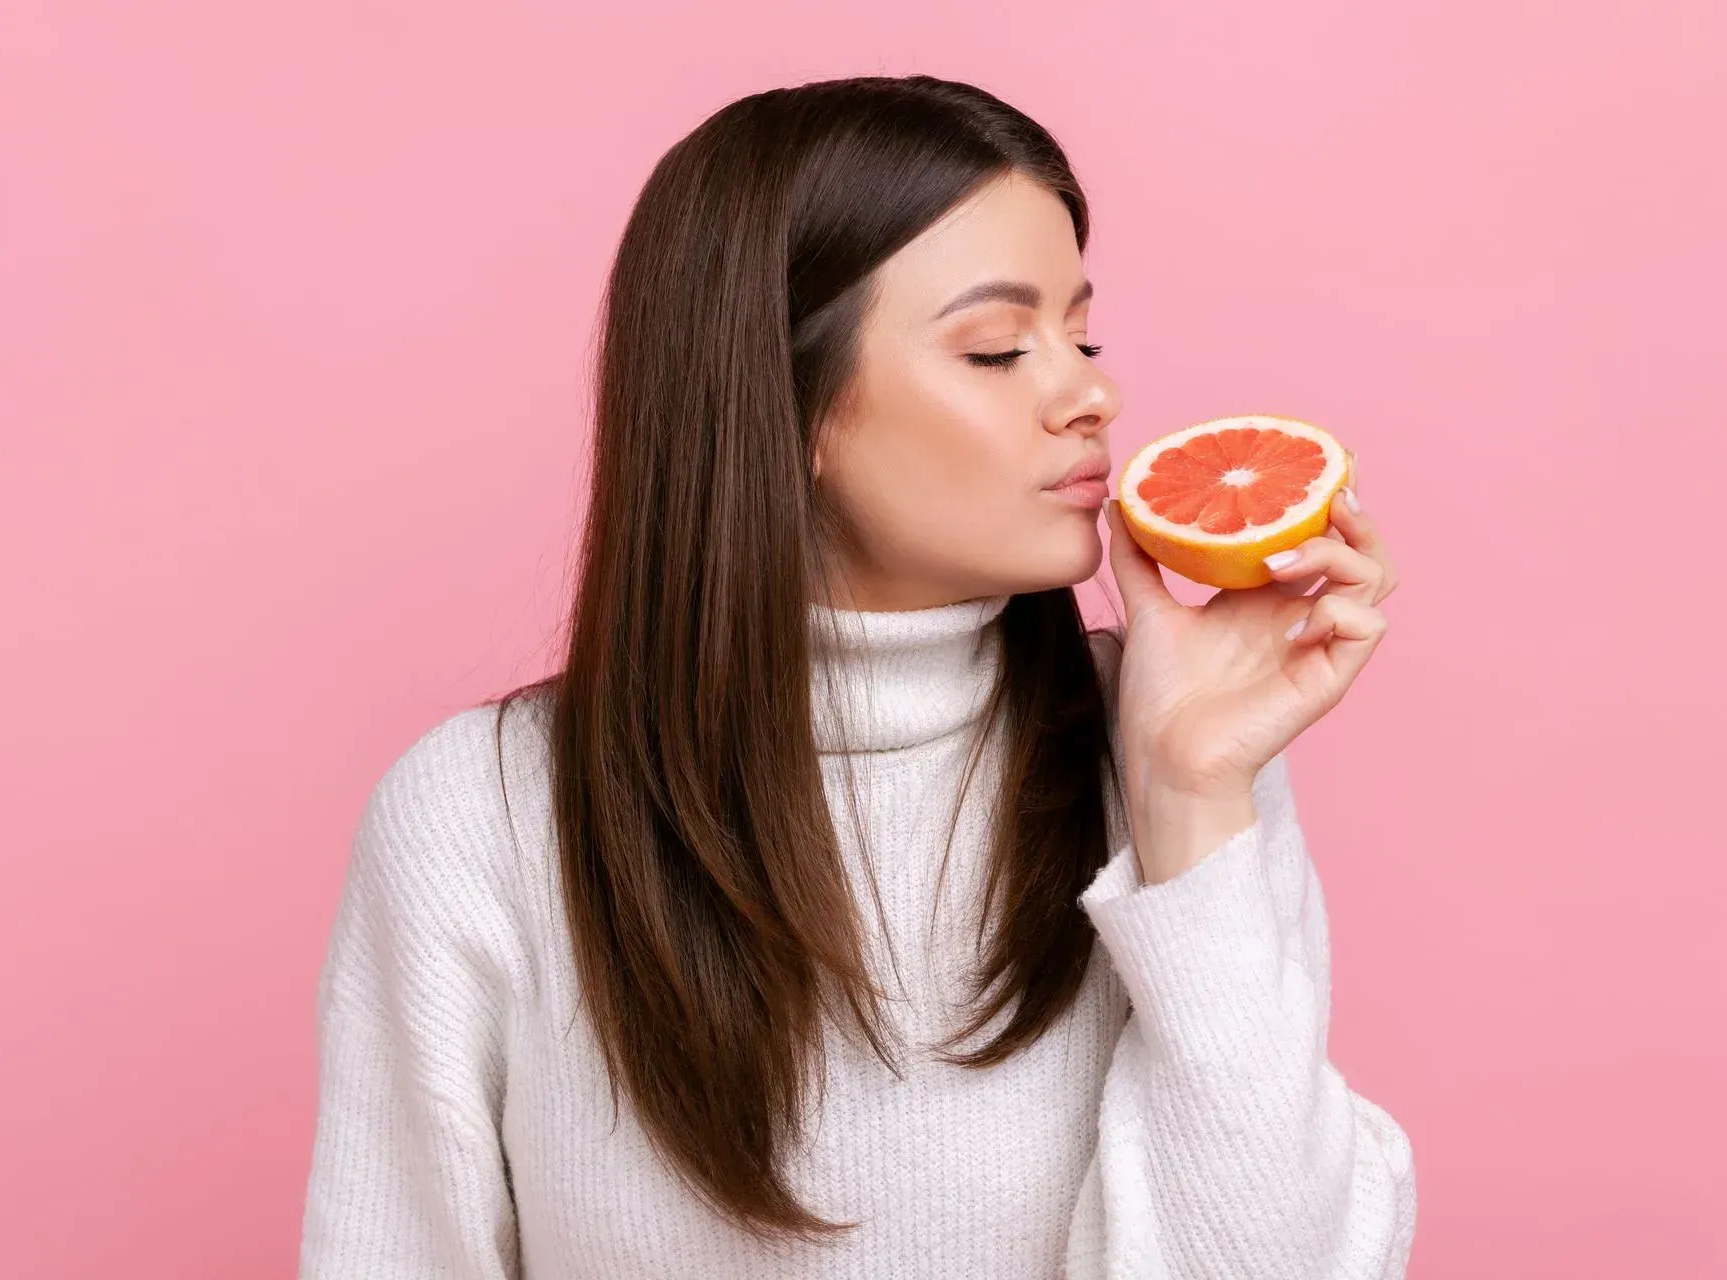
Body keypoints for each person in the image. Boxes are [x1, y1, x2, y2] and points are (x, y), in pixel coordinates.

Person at [299, 73, 1414, 1279]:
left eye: (1083, 337)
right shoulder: (481, 816)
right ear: (789, 408)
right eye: (998, 349)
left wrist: (1190, 795)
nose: (1093, 393)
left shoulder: (1168, 751)